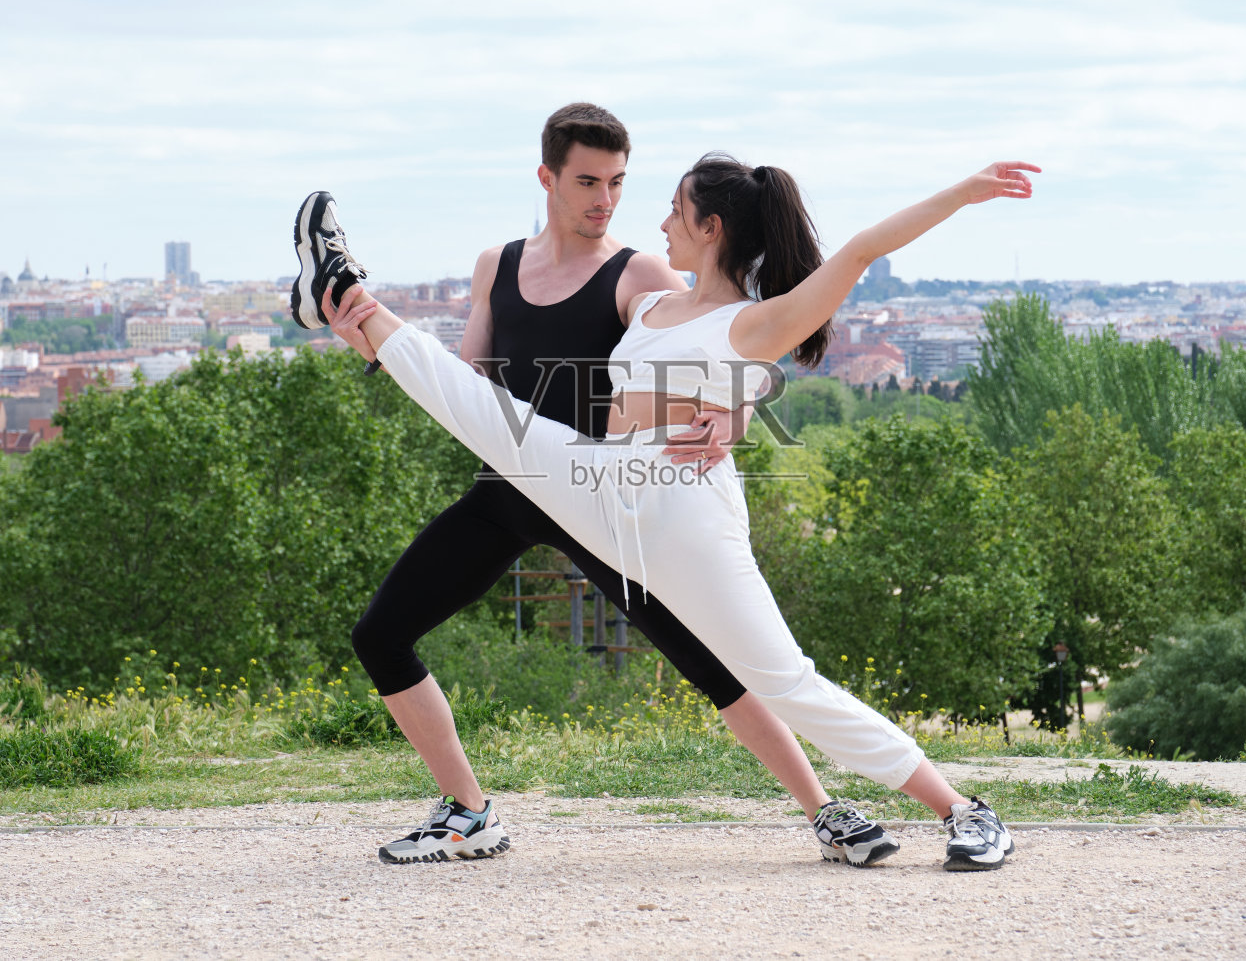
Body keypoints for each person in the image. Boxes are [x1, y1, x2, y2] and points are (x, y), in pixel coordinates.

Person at [296, 150, 1039, 872]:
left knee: (785, 680)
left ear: (711, 226)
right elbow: (644, 383)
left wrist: (963, 193)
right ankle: (345, 294)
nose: (660, 223)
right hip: (603, 478)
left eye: (675, 210)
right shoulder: (653, 304)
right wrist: (735, 407)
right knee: (483, 414)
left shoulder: (755, 321)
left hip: (685, 514)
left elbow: (858, 253)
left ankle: (962, 809)